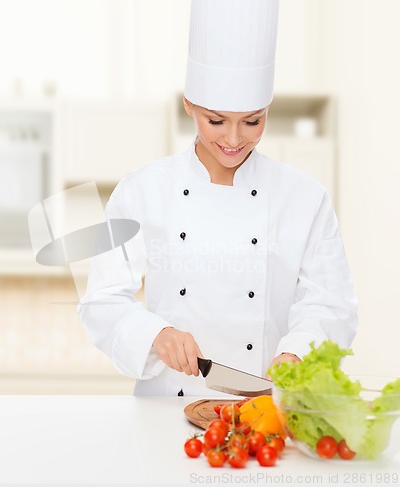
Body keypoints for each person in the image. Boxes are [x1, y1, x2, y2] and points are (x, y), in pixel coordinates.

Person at [78, 0, 358, 396]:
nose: (233, 140)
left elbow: (332, 305)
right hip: (165, 412)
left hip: (262, 412)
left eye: (252, 121)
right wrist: (156, 334)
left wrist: (297, 353)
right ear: (189, 105)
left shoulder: (305, 198)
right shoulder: (142, 191)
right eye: (216, 121)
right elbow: (101, 301)